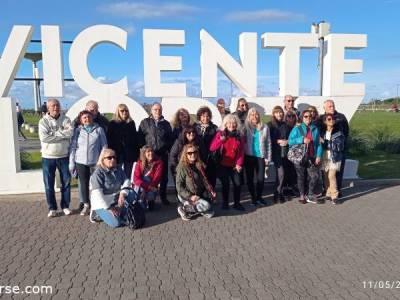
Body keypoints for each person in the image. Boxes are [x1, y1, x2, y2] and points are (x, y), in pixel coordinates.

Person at [38, 99, 73, 217]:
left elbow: (70, 133)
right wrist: (62, 134)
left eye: (57, 105)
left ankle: (65, 206)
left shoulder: (66, 119)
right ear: (48, 108)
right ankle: (52, 208)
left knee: (66, 183)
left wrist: (53, 134)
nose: (55, 107)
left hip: (64, 156)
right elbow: (44, 138)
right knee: (49, 184)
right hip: (48, 157)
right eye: (53, 106)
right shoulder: (43, 121)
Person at [69, 110, 107, 215]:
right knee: (84, 184)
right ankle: (86, 205)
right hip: (80, 162)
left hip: (95, 162)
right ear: (81, 120)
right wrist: (71, 163)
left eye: (88, 117)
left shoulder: (99, 130)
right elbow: (73, 147)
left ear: (92, 118)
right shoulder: (78, 131)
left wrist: (100, 161)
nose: (87, 119)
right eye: (84, 117)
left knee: (97, 184)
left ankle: (99, 205)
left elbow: (104, 146)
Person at [138, 102, 173, 205]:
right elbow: (140, 137)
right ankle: (150, 199)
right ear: (151, 110)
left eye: (159, 110)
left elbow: (170, 139)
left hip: (162, 155)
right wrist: (144, 150)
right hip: (149, 156)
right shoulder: (145, 122)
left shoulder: (166, 124)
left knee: (163, 178)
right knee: (149, 177)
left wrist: (167, 149)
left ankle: (163, 197)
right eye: (155, 109)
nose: (157, 111)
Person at [89, 148, 133, 228]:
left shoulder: (118, 168)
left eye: (114, 157)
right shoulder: (97, 173)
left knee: (131, 194)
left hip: (115, 199)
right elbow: (97, 195)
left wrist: (122, 194)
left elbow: (127, 181)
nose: (112, 159)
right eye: (109, 158)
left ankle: (120, 212)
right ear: (103, 160)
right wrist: (108, 208)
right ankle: (96, 214)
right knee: (116, 223)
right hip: (102, 203)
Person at [210, 114, 245, 210]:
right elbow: (212, 147)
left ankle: (237, 203)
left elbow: (241, 152)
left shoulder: (239, 136)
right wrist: (220, 141)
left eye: (234, 123)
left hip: (234, 166)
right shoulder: (220, 134)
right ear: (225, 124)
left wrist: (239, 164)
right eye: (229, 123)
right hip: (222, 164)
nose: (232, 125)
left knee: (237, 184)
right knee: (225, 184)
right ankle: (225, 203)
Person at [289, 110, 323, 204]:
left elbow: (318, 144)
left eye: (310, 116)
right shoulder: (297, 128)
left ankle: (310, 194)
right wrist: (302, 139)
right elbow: (290, 141)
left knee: (314, 176)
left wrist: (319, 156)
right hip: (300, 156)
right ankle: (302, 195)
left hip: (312, 156)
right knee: (301, 177)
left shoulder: (315, 129)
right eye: (306, 116)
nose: (308, 118)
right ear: (302, 117)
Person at [176, 144, 216, 221]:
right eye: (189, 153)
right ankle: (183, 209)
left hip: (197, 194)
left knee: (210, 203)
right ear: (185, 154)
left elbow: (204, 180)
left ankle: (194, 209)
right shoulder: (182, 167)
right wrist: (190, 197)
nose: (193, 154)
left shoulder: (199, 164)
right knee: (207, 206)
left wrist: (211, 190)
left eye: (194, 152)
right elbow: (179, 186)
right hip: (186, 195)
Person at [317, 99, 349, 195]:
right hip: (325, 151)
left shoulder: (341, 117)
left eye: (333, 105)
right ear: (325, 108)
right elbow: (316, 130)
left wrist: (340, 143)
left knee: (336, 173)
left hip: (338, 150)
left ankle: (337, 191)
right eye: (330, 106)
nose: (332, 107)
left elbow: (346, 131)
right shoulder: (321, 119)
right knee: (325, 172)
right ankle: (327, 190)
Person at [243, 108, 271, 206]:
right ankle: (253, 198)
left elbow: (268, 143)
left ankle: (259, 197)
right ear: (249, 117)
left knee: (261, 179)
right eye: (252, 115)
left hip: (260, 157)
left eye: (256, 114)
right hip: (249, 157)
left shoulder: (265, 127)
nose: (254, 116)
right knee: (250, 179)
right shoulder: (245, 128)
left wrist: (268, 158)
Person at [107, 104, 140, 178]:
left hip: (129, 153)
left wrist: (137, 154)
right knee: (116, 172)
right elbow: (109, 139)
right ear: (118, 112)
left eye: (126, 110)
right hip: (117, 153)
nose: (124, 112)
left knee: (127, 174)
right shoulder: (112, 124)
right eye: (122, 111)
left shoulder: (131, 123)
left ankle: (126, 188)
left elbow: (135, 139)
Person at [268, 106, 292, 203]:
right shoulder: (269, 125)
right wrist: (277, 141)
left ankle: (279, 192)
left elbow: (291, 137)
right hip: (275, 152)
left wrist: (287, 141)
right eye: (277, 112)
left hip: (285, 152)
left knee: (282, 174)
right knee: (281, 173)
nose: (279, 114)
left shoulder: (285, 125)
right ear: (273, 114)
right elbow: (267, 139)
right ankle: (277, 193)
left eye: (281, 112)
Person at [320, 114, 345, 204]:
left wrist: (325, 143)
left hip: (335, 157)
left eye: (333, 119)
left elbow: (339, 146)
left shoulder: (338, 132)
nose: (332, 120)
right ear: (325, 121)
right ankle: (328, 192)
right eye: (329, 119)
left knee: (331, 175)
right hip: (324, 156)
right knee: (326, 176)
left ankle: (335, 196)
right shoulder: (322, 132)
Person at [132, 146, 164, 210]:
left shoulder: (159, 163)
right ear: (144, 153)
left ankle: (149, 202)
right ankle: (138, 202)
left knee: (150, 197)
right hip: (142, 187)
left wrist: (146, 190)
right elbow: (136, 179)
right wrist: (145, 189)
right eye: (148, 151)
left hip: (152, 186)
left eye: (152, 151)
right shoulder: (139, 163)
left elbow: (156, 180)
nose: (151, 153)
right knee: (138, 186)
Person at [194, 106, 218, 188]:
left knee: (211, 179)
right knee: (199, 180)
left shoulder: (214, 128)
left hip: (211, 158)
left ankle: (211, 197)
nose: (205, 118)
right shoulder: (195, 127)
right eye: (203, 116)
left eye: (207, 116)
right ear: (199, 117)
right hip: (198, 157)